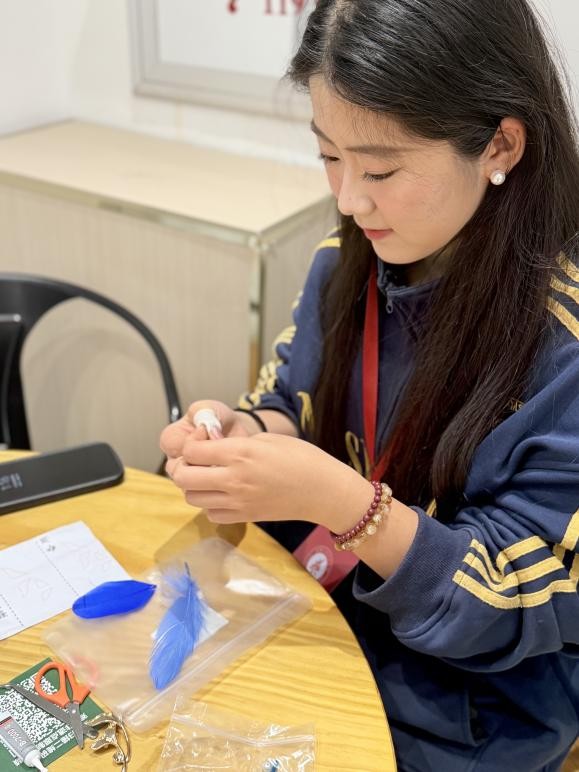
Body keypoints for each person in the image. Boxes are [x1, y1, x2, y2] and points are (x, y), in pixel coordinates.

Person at [160, 0, 579, 769]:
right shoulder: (346, 257)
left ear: (499, 144)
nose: (349, 200)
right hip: (325, 622)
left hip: (470, 712)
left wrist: (346, 506)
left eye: (380, 169)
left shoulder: (562, 343)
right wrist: (244, 436)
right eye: (328, 155)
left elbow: (517, 604)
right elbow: (293, 400)